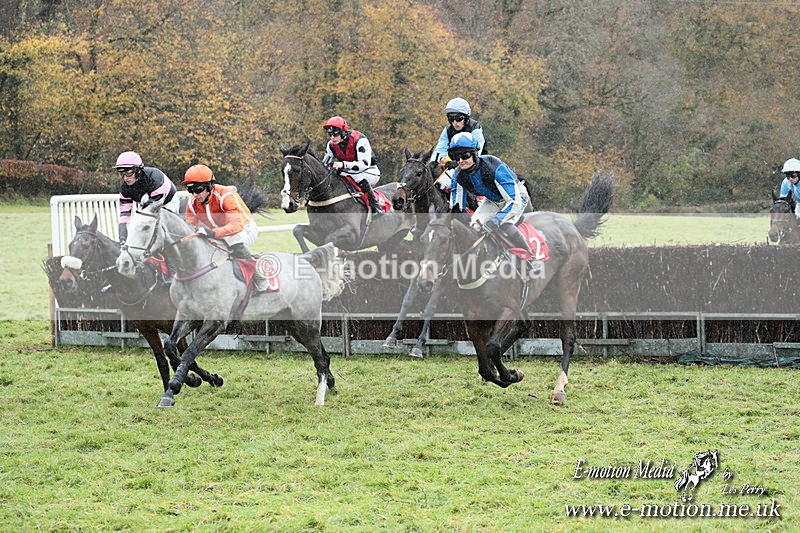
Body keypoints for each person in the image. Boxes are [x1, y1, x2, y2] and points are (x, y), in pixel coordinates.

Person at [448, 132, 534, 259]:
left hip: (516, 197)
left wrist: (495, 221)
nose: (461, 161)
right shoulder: (458, 175)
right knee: (473, 225)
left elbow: (514, 202)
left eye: (465, 155)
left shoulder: (493, 166)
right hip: (493, 201)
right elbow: (457, 207)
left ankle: (531, 258)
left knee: (504, 224)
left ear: (474, 153)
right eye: (456, 157)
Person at [182, 164, 258, 260]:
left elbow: (237, 225)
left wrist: (213, 233)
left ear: (209, 186)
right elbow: (189, 228)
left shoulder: (225, 196)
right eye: (191, 190)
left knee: (233, 240)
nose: (195, 194)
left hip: (244, 228)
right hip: (221, 231)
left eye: (198, 189)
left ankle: (256, 272)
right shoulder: (192, 203)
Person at [321, 116, 383, 216]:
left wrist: (343, 164)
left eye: (335, 134)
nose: (332, 137)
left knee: (355, 176)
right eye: (330, 134)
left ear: (343, 132)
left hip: (370, 171)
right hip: (349, 172)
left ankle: (376, 206)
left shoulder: (360, 140)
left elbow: (364, 164)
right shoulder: (331, 145)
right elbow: (324, 163)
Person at [114, 151, 179, 244]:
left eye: (128, 173)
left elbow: (155, 208)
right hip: (147, 203)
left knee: (157, 227)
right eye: (122, 174)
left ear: (138, 170)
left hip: (167, 202)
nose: (125, 178)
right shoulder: (125, 189)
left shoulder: (155, 177)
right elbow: (124, 216)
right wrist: (122, 238)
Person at [430, 97, 487, 166]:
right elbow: (440, 149)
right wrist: (434, 161)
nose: (455, 123)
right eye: (451, 119)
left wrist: (457, 162)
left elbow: (476, 154)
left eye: (458, 118)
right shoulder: (447, 130)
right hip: (457, 165)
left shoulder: (475, 129)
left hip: (478, 166)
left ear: (466, 117)